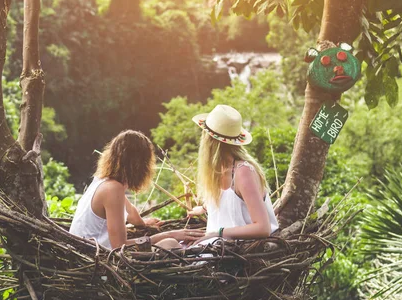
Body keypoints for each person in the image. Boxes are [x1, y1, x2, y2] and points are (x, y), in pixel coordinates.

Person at [69, 130, 203, 249]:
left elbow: (131, 213)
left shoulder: (104, 182)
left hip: (88, 253)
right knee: (170, 243)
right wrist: (169, 234)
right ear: (139, 164)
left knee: (169, 242)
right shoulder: (113, 189)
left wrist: (144, 223)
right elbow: (119, 246)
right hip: (98, 259)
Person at [189, 105, 278, 243]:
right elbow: (231, 202)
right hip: (217, 247)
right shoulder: (217, 171)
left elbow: (263, 228)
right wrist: (204, 208)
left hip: (237, 250)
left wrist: (218, 233)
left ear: (208, 140)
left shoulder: (243, 172)